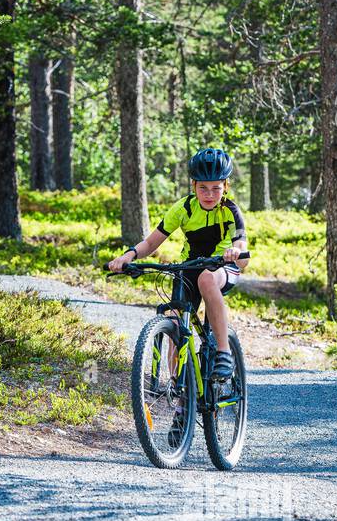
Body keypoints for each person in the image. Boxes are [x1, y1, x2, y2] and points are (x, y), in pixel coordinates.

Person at [107, 147, 249, 383]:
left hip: (223, 268)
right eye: (203, 187)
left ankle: (223, 352)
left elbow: (242, 253)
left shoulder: (230, 210)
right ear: (193, 185)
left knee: (206, 278)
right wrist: (129, 255)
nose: (209, 194)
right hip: (190, 267)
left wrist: (235, 251)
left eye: (216, 187)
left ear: (226, 186)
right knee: (174, 322)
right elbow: (152, 241)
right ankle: (180, 397)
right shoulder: (183, 208)